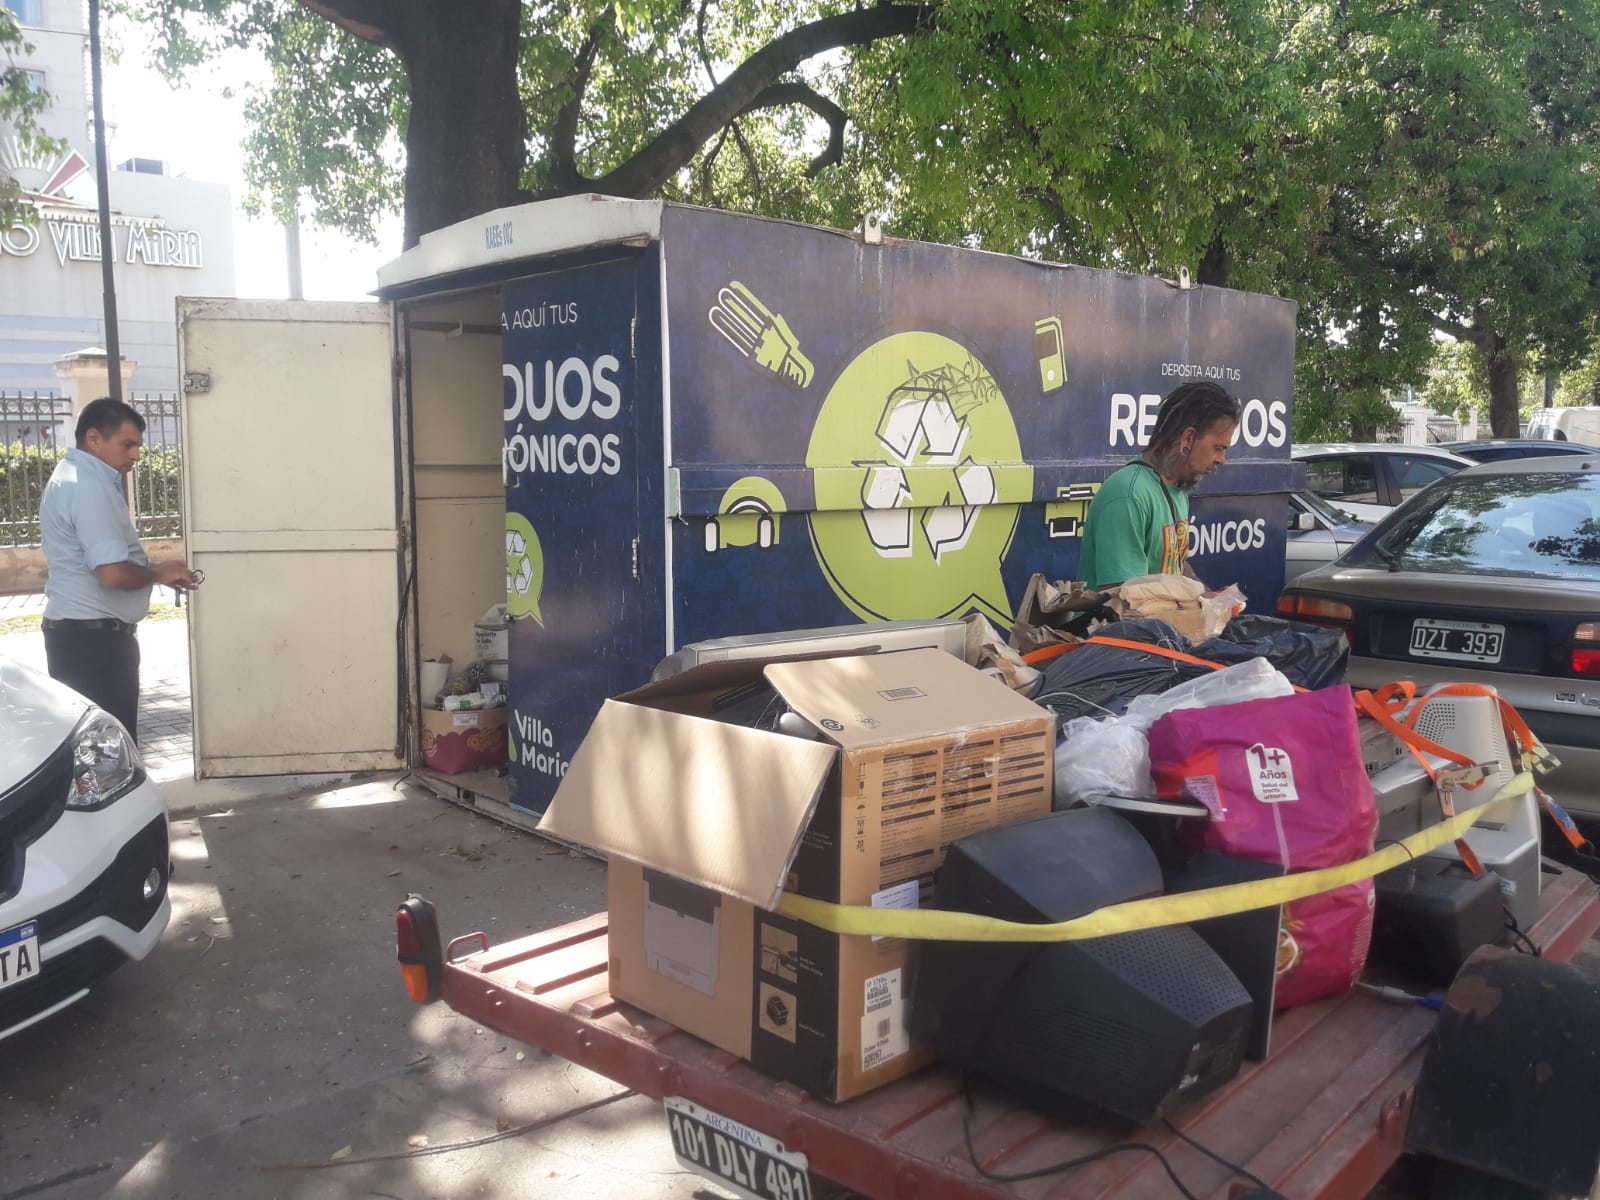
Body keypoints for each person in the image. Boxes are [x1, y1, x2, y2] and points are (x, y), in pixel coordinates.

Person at [39, 396, 199, 739]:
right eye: (127, 444)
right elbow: (111, 574)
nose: (136, 455)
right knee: (107, 754)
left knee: (94, 750)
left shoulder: (72, 476)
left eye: (138, 445)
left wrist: (155, 572)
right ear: (94, 438)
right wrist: (158, 573)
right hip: (94, 644)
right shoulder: (88, 487)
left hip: (81, 638)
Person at [1078, 381, 1241, 591]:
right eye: (1218, 448)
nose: (1222, 459)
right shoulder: (1129, 496)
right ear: (1188, 438)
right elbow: (1123, 598)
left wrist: (1207, 597)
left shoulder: (1177, 489)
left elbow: (1174, 565)